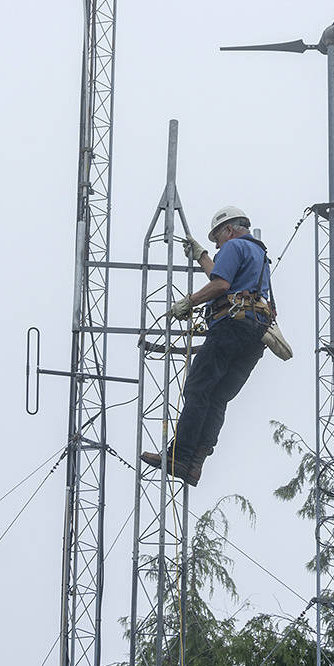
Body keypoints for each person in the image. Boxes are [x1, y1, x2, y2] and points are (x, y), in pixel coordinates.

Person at [141, 205, 273, 486]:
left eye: (217, 240)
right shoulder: (259, 254)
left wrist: (190, 301)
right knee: (217, 397)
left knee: (197, 389)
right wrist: (201, 256)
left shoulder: (233, 246)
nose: (217, 246)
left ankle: (179, 455)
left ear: (228, 230)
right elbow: (224, 278)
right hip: (254, 336)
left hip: (229, 327)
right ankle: (194, 465)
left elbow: (221, 285)